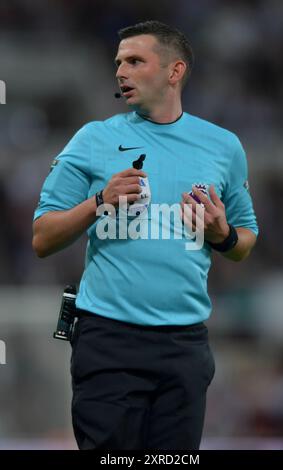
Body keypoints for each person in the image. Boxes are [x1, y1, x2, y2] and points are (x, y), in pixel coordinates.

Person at [32, 20, 258, 450]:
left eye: (135, 61)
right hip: (109, 339)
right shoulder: (93, 138)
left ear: (175, 71)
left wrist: (222, 235)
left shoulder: (223, 146)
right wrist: (98, 201)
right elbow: (42, 238)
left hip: (185, 344)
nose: (121, 71)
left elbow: (245, 241)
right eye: (118, 62)